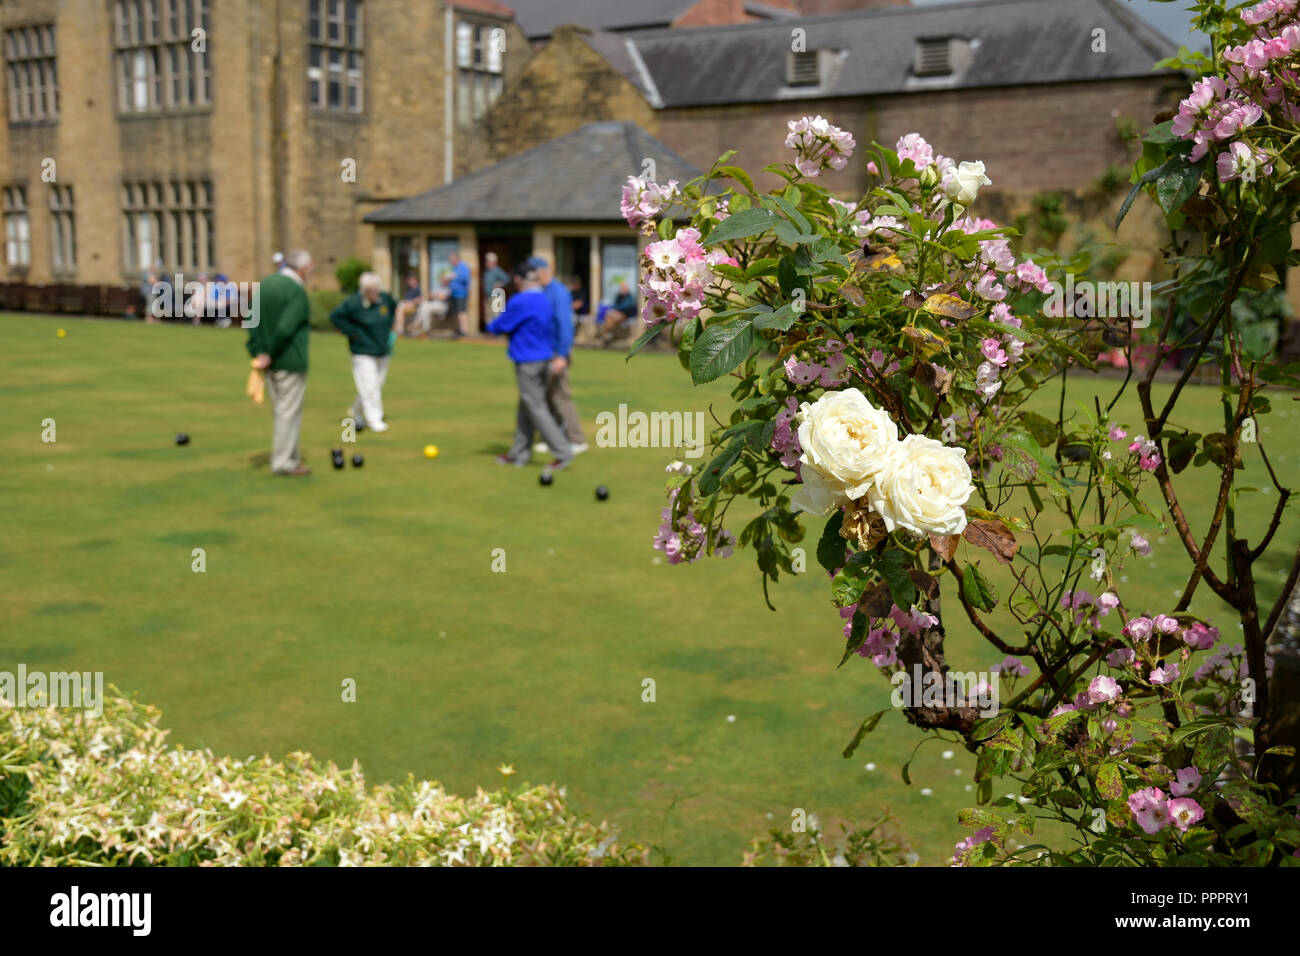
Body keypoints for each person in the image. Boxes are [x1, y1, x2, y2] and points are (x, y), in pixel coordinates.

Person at [486, 261, 573, 471]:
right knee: (526, 407)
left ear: (518, 280)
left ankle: (563, 452)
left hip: (527, 361)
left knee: (536, 408)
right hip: (544, 359)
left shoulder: (519, 301)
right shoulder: (544, 298)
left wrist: (496, 299)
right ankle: (519, 454)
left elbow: (496, 326)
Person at [247, 250, 313, 476]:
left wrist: (259, 351)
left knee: (283, 411)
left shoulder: (264, 284)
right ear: (302, 269)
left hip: (269, 360)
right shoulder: (296, 291)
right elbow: (286, 327)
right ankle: (283, 462)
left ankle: (290, 458)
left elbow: (251, 320)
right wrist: (269, 352)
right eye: (310, 268)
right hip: (288, 359)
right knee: (288, 412)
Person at [528, 255, 587, 456]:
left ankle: (577, 439)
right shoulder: (541, 292)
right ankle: (552, 436)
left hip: (557, 352)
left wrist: (561, 355)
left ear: (544, 272)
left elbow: (565, 326)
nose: (533, 280)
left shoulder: (559, 293)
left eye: (535, 275)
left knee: (561, 395)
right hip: (544, 351)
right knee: (547, 396)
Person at [330, 272, 396, 433]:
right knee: (369, 385)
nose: (373, 294)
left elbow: (394, 310)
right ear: (363, 290)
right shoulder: (354, 303)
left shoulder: (385, 299)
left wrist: (391, 331)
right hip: (362, 351)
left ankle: (356, 409)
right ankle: (375, 420)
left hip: (382, 349)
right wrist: (352, 333)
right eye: (369, 290)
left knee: (376, 384)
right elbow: (336, 316)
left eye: (375, 290)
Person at [601, 280, 639, 345]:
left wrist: (616, 308)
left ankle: (606, 333)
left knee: (611, 316)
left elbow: (625, 307)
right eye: (622, 288)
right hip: (617, 314)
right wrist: (616, 309)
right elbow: (614, 305)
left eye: (624, 288)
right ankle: (608, 333)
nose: (622, 289)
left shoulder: (629, 296)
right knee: (609, 315)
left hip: (626, 315)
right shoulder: (619, 296)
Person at [447, 251, 472, 338]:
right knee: (456, 313)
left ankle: (463, 330)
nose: (451, 261)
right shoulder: (454, 267)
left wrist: (454, 277)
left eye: (452, 259)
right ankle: (459, 329)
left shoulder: (463, 267)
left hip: (461, 294)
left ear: (457, 259)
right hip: (454, 294)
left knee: (462, 312)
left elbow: (465, 278)